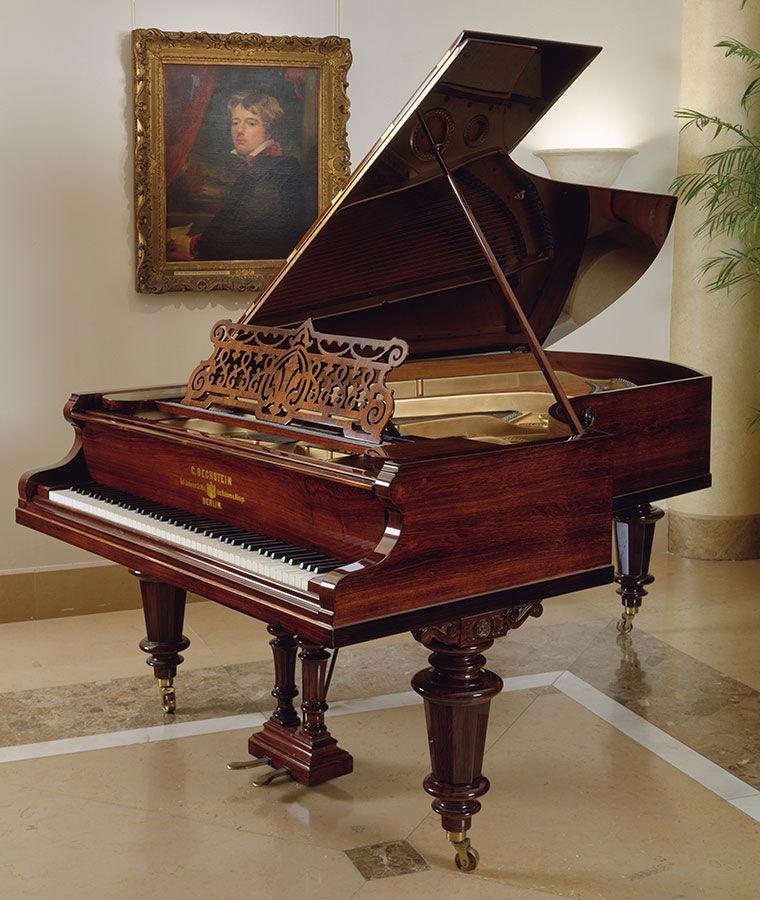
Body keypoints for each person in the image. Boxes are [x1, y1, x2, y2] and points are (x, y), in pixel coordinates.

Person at [167, 92, 310, 261]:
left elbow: (248, 242)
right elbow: (232, 229)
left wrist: (195, 250)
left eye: (251, 123)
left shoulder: (276, 171)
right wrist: (194, 243)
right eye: (235, 122)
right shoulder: (257, 168)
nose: (239, 130)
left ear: (269, 130)